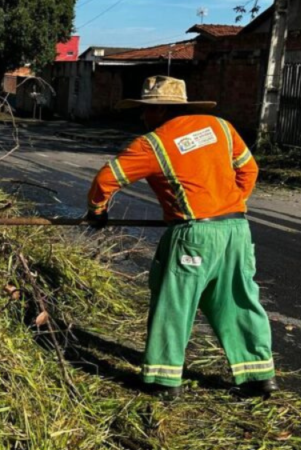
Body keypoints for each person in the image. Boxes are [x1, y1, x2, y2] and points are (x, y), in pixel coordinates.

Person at [86, 75, 275, 400]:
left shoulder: (153, 143)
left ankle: (163, 380)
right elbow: (249, 170)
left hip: (193, 235)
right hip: (236, 229)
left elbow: (107, 179)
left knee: (174, 302)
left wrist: (98, 211)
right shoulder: (221, 127)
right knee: (239, 299)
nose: (143, 117)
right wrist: (230, 203)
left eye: (146, 110)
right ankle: (258, 377)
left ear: (161, 111)